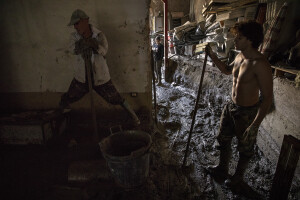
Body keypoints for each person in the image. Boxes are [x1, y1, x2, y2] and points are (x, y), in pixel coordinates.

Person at [205, 20, 273, 189]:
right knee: (224, 139)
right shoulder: (239, 56)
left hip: (247, 112)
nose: (235, 40)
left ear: (250, 40)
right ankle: (222, 169)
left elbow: (268, 98)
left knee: (245, 148)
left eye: (239, 37)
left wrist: (255, 124)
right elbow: (227, 71)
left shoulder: (260, 64)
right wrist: (213, 56)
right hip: (231, 106)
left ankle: (238, 179)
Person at [60, 9, 140, 125]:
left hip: (100, 77)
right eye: (74, 25)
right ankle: (62, 122)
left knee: (115, 98)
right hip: (82, 78)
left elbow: (104, 51)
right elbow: (72, 49)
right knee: (69, 97)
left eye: (77, 23)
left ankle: (135, 118)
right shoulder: (74, 37)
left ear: (86, 21)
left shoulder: (99, 35)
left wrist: (95, 45)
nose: (75, 27)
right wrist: (81, 44)